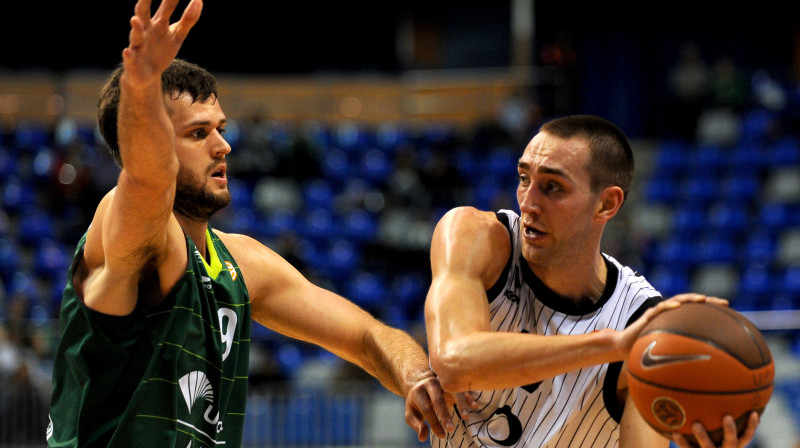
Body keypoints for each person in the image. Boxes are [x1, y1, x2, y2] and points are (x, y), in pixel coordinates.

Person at [46, 0, 457, 446]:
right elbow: (148, 178)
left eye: (220, 128)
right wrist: (141, 87)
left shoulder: (241, 262)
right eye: (198, 133)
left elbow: (364, 336)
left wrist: (416, 376)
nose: (223, 146)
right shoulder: (124, 227)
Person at [423, 114, 761, 447]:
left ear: (606, 204)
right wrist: (609, 346)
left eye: (552, 187)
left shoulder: (640, 323)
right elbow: (454, 362)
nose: (528, 203)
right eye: (524, 178)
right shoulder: (476, 237)